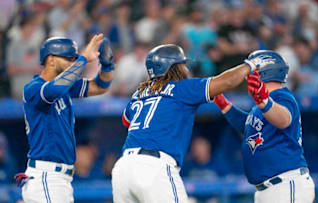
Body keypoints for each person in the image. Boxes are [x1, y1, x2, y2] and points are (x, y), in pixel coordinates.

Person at [111, 44, 275, 203]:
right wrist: (251, 65)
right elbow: (226, 82)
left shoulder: (138, 94)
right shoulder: (182, 88)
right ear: (172, 68)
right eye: (182, 64)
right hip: (154, 167)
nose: (187, 69)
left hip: (123, 169)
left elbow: (127, 121)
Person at [15, 34, 115, 203]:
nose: (72, 62)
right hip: (46, 176)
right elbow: (54, 90)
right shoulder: (33, 88)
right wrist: (83, 58)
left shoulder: (66, 87)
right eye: (68, 58)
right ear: (51, 60)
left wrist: (107, 65)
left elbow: (100, 86)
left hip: (62, 179)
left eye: (74, 58)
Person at [214, 50, 315, 203]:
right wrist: (223, 103)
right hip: (268, 190)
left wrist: (264, 101)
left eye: (253, 68)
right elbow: (248, 126)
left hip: (286, 184)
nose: (248, 73)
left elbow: (284, 119)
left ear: (265, 70)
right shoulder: (260, 106)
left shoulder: (283, 96)